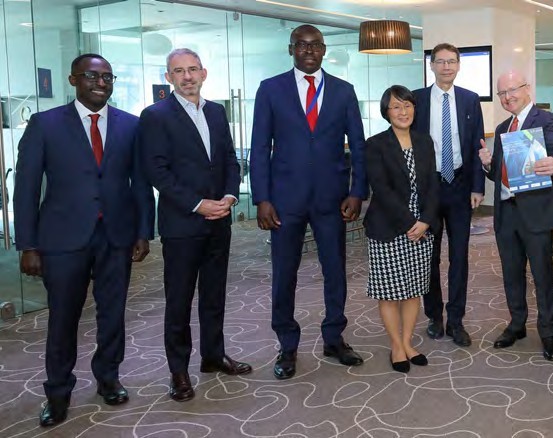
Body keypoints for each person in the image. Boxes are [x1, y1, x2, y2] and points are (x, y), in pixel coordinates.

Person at [13, 53, 154, 427]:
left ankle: (109, 377)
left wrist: (144, 231)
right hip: (61, 239)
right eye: (91, 76)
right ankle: (58, 392)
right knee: (63, 318)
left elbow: (140, 183)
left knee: (113, 314)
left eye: (107, 77)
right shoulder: (45, 124)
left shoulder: (131, 125)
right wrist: (28, 244)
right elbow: (25, 189)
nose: (100, 83)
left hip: (116, 235)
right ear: (73, 79)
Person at [250, 24, 368, 380]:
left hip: (332, 199)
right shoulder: (270, 90)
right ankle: (287, 344)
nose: (308, 50)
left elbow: (359, 147)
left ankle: (334, 337)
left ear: (324, 49)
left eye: (315, 45)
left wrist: (357, 190)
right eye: (301, 45)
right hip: (284, 200)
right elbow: (258, 149)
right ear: (291, 49)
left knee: (335, 271)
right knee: (284, 273)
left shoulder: (344, 91)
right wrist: (262, 198)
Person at [138, 48, 250, 402]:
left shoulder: (216, 112)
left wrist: (231, 197)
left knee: (215, 294)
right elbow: (157, 171)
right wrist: (198, 204)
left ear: (204, 73)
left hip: (220, 220)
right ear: (168, 77)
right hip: (183, 224)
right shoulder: (155, 116)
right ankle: (178, 370)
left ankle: (213, 356)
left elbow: (230, 160)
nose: (187, 77)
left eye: (192, 70)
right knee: (179, 300)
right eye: (178, 71)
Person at [479, 70, 553, 361]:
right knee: (511, 274)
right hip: (506, 213)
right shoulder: (505, 127)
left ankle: (548, 333)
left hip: (536, 214)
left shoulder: (545, 119)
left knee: (543, 276)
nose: (507, 97)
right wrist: (488, 163)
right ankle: (517, 325)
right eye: (502, 93)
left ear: (527, 88)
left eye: (512, 90)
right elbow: (501, 173)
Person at [411, 43, 485, 347]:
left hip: (459, 187)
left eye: (451, 62)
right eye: (440, 62)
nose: (446, 67)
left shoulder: (469, 100)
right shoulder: (415, 99)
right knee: (430, 256)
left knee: (459, 256)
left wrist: (478, 186)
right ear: (431, 65)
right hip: (428, 187)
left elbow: (477, 146)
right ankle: (434, 317)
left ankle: (456, 320)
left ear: (458, 65)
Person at [363, 85, 438, 373]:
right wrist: (411, 223)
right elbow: (381, 190)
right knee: (390, 292)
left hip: (422, 227)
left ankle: (408, 342)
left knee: (413, 290)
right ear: (386, 112)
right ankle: (396, 345)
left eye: (407, 105)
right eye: (396, 106)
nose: (403, 111)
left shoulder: (424, 141)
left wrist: (426, 220)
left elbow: (432, 184)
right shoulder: (376, 144)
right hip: (389, 228)